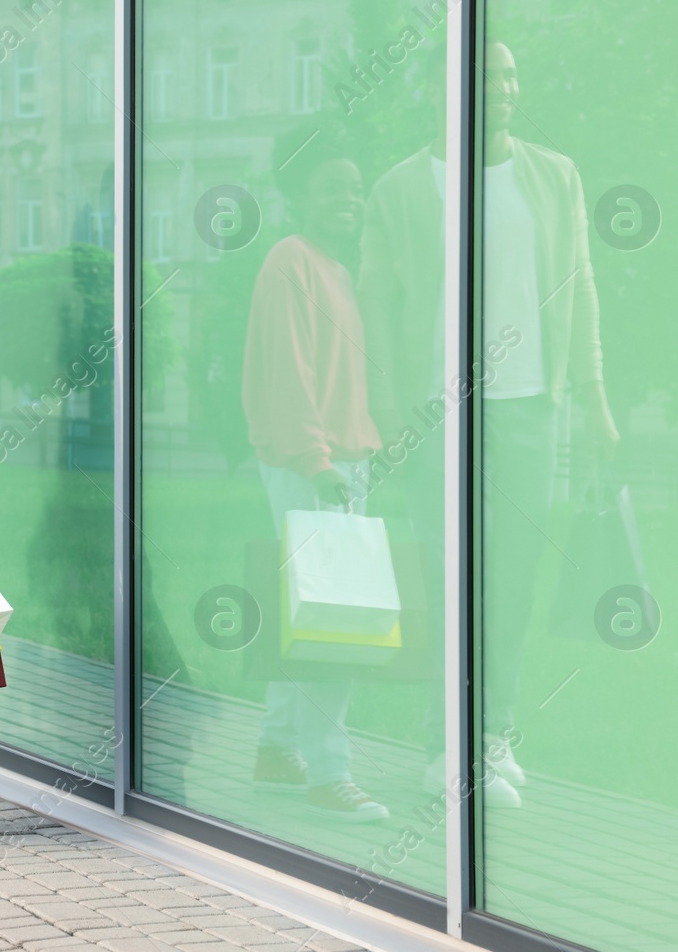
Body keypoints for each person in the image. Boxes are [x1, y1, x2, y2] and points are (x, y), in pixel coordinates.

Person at [358, 42, 617, 807]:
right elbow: (377, 308)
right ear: (441, 91)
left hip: (529, 403)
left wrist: (594, 395)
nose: (500, 85)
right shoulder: (403, 188)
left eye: (509, 72)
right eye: (483, 74)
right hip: (434, 414)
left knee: (510, 578)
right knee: (446, 575)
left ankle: (493, 732)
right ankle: (444, 743)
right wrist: (383, 412)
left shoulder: (554, 174)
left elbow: (581, 286)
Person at [243, 148, 389, 822]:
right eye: (334, 188)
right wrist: (318, 461)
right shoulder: (290, 261)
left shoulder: (338, 268)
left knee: (309, 609)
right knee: (335, 619)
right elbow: (290, 370)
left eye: (355, 189)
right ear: (302, 196)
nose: (349, 200)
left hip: (339, 461)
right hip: (314, 466)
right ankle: (330, 771)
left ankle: (276, 749)